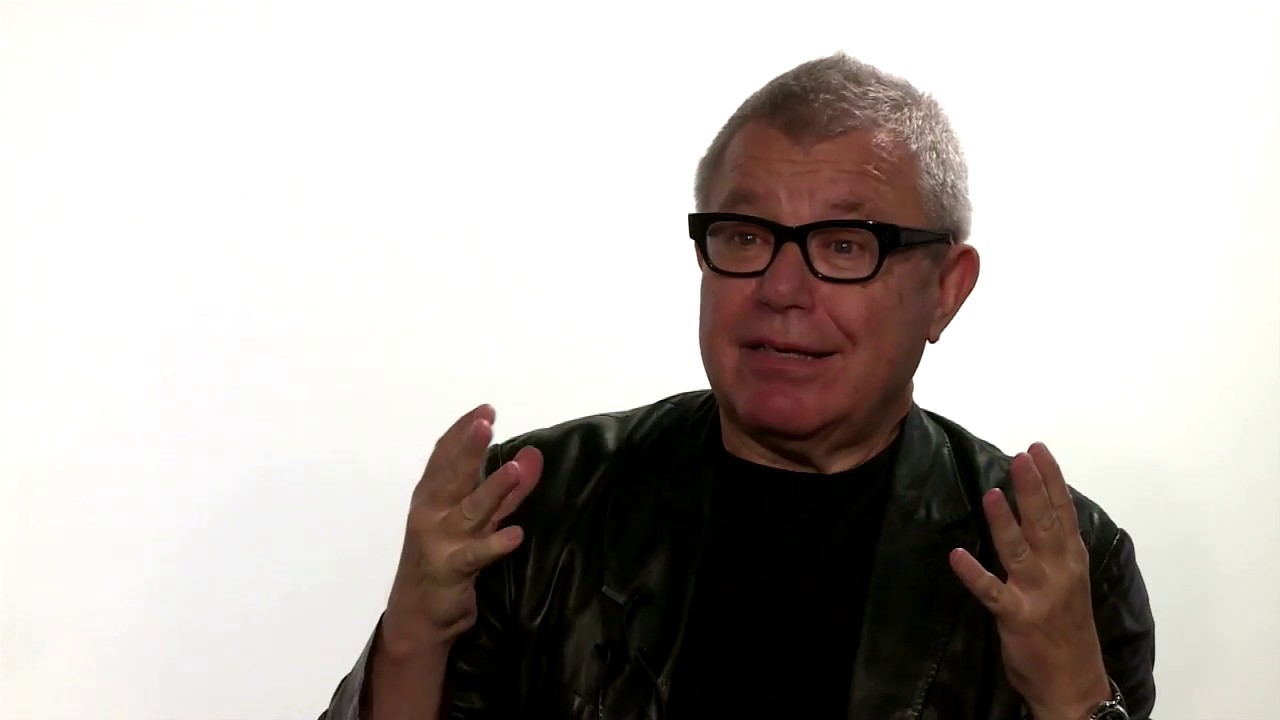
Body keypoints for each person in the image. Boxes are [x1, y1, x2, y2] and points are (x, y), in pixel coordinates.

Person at [318, 53, 1156, 720]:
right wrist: (411, 642)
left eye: (842, 246)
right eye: (747, 235)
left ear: (946, 289)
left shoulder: (1063, 563)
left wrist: (1073, 702)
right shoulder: (533, 511)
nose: (781, 289)